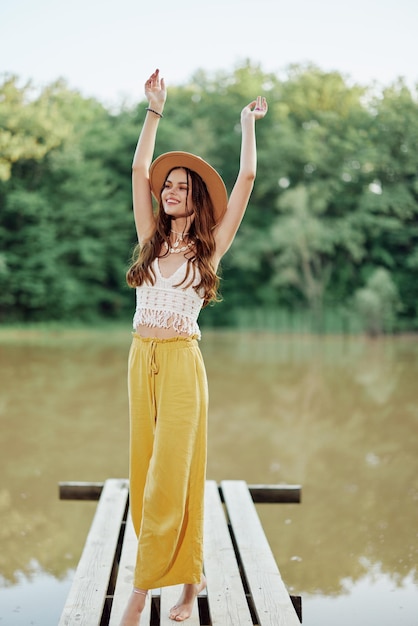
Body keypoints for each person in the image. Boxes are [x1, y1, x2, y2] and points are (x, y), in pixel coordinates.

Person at [120, 68, 267, 625]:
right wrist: (154, 109)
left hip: (182, 363)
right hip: (141, 360)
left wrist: (245, 125)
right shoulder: (150, 239)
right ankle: (190, 579)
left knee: (171, 475)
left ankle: (139, 595)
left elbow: (248, 178)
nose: (172, 191)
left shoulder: (210, 248)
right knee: (145, 474)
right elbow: (139, 170)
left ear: (196, 197)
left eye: (183, 186)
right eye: (170, 185)